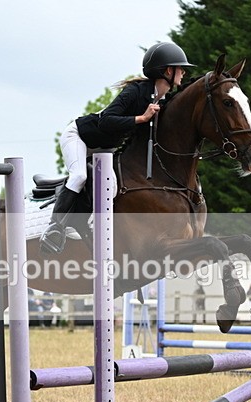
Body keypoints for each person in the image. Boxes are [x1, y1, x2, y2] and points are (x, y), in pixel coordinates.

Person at [40, 42, 195, 255]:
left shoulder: (162, 99)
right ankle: (54, 229)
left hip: (105, 150)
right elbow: (106, 121)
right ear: (168, 71)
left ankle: (90, 227)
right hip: (79, 137)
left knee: (110, 189)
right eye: (180, 68)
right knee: (79, 176)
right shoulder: (135, 91)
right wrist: (141, 118)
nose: (183, 72)